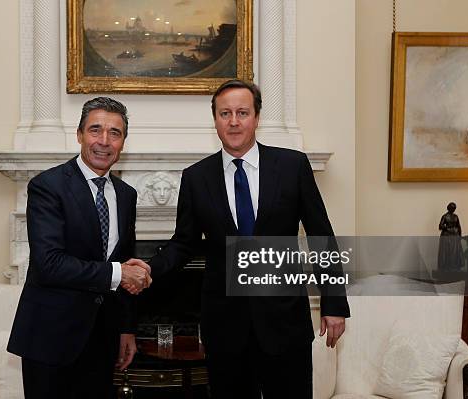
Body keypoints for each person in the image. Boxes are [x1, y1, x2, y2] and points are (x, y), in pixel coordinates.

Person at [147, 80, 351, 399]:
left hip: (285, 324)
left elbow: (321, 235)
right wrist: (146, 270)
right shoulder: (196, 178)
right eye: (225, 113)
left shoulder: (292, 166)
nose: (233, 121)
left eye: (242, 112)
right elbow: (183, 244)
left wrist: (334, 301)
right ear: (215, 120)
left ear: (256, 117)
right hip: (225, 328)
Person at [7, 97, 152, 398]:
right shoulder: (48, 186)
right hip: (50, 338)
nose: (104, 141)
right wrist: (119, 273)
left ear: (123, 142)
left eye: (115, 133)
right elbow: (49, 264)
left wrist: (126, 328)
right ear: (79, 135)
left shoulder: (127, 195)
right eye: (95, 130)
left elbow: (122, 259)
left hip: (102, 339)